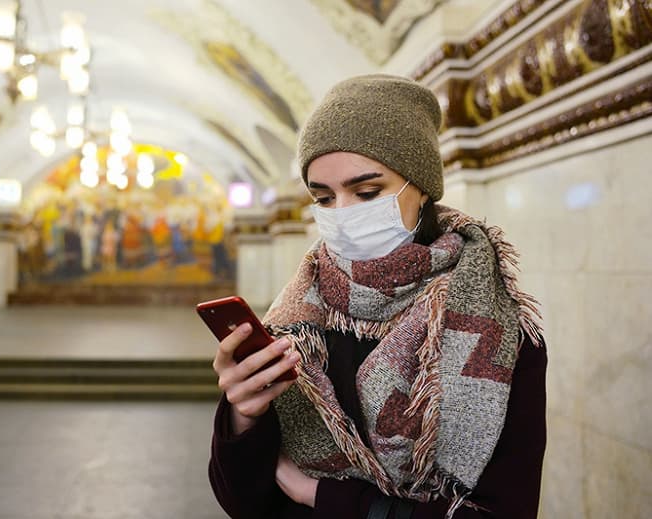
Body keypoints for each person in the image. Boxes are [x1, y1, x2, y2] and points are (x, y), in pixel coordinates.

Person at [208, 75, 547, 519]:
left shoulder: (497, 328)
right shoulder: (297, 321)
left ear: (421, 188)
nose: (343, 214)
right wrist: (243, 418)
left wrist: (322, 496)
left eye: (367, 193)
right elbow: (243, 502)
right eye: (323, 197)